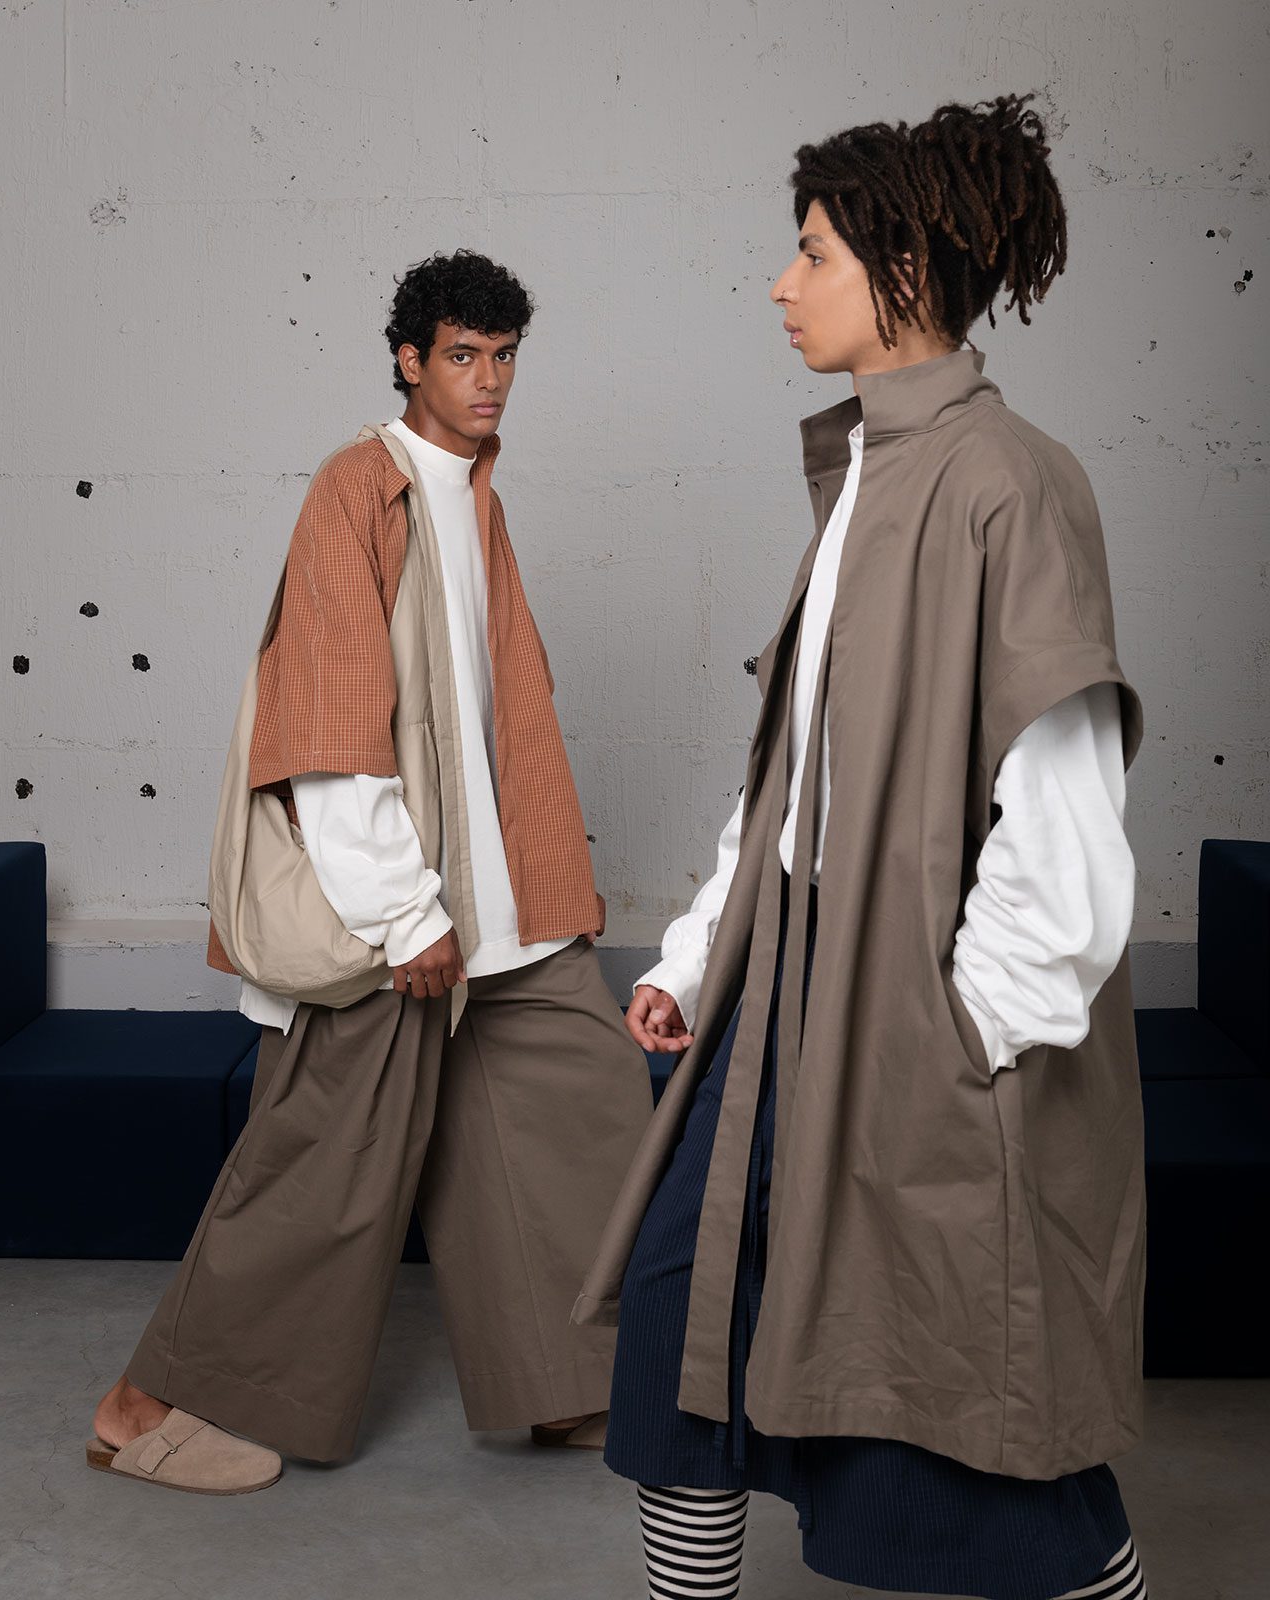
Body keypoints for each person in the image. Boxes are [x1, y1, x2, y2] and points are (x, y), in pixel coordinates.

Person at [574, 94, 1151, 1599]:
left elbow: (1065, 815)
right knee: (687, 1333)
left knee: (966, 1414)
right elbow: (797, 770)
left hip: (919, 1024)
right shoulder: (865, 474)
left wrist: (961, 1039)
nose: (782, 283)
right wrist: (699, 956)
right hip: (783, 995)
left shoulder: (1011, 482)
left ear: (902, 268)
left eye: (813, 253)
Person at [86, 249, 654, 1494]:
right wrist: (404, 913)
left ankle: (574, 1380)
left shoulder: (478, 499)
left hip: (506, 907)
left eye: (504, 357)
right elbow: (331, 721)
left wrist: (530, 884)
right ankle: (150, 1403)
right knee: (326, 1162)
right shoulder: (357, 490)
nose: (488, 379)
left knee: (584, 1114)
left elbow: (496, 717)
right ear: (409, 360)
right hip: (400, 914)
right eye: (462, 355)